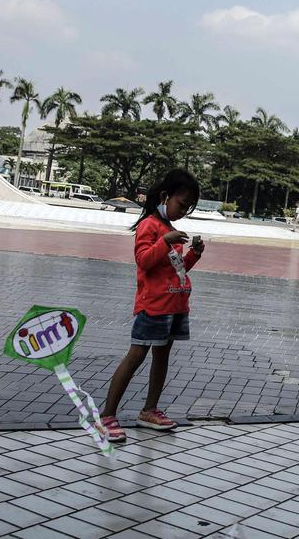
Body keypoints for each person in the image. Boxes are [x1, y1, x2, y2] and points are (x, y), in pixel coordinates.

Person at [100, 169, 205, 443]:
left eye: (188, 208)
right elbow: (144, 260)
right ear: (164, 197)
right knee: (136, 355)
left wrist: (194, 254)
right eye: (181, 205)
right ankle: (107, 415)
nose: (183, 211)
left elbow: (175, 268)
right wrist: (164, 242)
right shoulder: (151, 226)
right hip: (154, 305)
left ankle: (149, 410)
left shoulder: (170, 230)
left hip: (175, 303)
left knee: (162, 356)